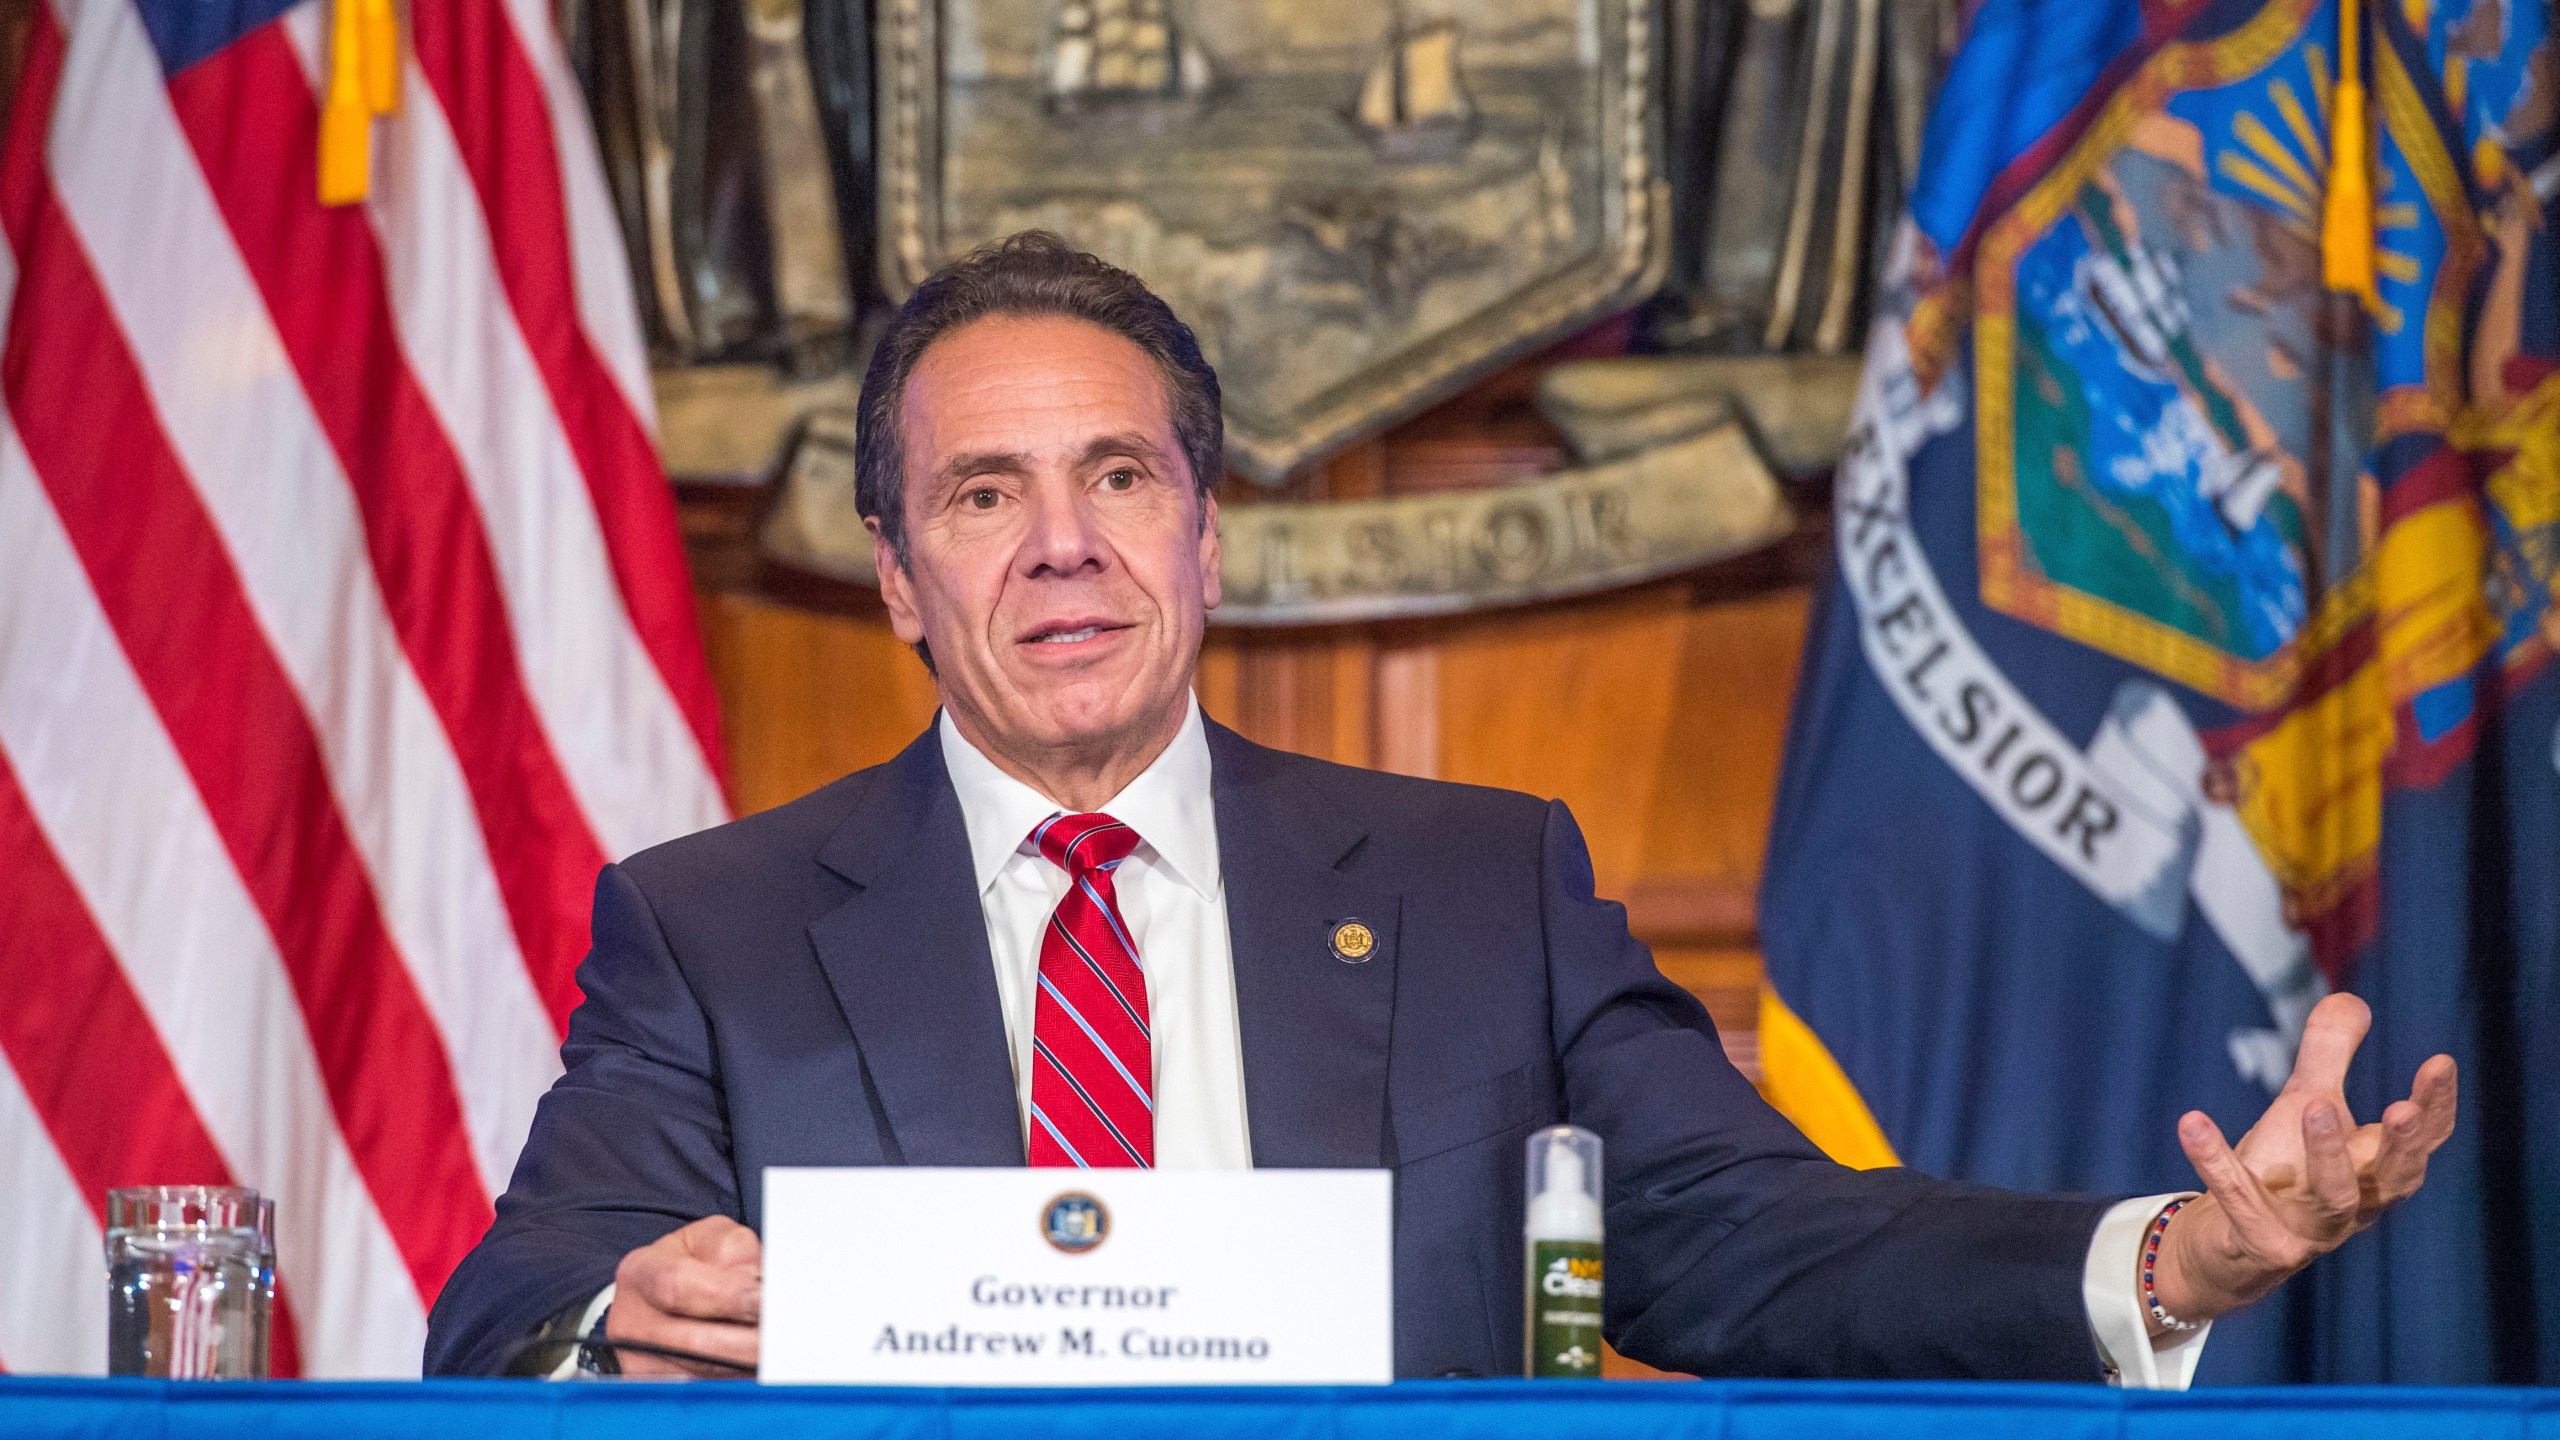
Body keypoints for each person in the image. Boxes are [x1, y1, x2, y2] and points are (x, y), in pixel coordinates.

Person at [422, 232, 2459, 1384]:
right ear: (895, 577)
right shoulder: (715, 922)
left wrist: (2173, 1254)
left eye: (1118, 480)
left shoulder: (1481, 888)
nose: (1062, 549)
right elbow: (509, 1306)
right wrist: (622, 1313)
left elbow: (1748, 1242)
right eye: (982, 497)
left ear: (1206, 540)